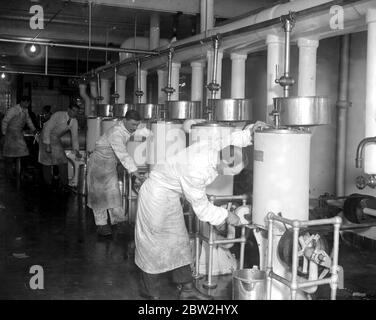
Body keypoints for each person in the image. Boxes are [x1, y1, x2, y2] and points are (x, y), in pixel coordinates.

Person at [134, 121, 268, 300]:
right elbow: (202, 209)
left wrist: (251, 132)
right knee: (153, 245)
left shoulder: (216, 148)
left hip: (170, 194)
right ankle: (150, 294)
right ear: (223, 163)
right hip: (155, 196)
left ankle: (187, 288)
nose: (227, 175)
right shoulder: (196, 170)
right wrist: (227, 215)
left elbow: (230, 139)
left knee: (179, 241)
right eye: (229, 172)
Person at [87, 110, 144, 237]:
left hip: (109, 163)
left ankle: (118, 221)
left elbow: (120, 152)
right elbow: (122, 154)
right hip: (99, 163)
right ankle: (101, 225)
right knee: (99, 195)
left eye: (137, 125)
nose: (135, 128)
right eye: (133, 124)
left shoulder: (125, 129)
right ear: (125, 120)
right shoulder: (116, 133)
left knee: (113, 193)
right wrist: (135, 172)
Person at [38, 104, 81, 190]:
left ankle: (64, 184)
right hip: (45, 136)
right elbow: (47, 128)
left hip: (55, 138)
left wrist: (76, 151)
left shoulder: (74, 121)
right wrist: (47, 145)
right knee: (47, 161)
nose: (74, 113)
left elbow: (75, 137)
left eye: (76, 112)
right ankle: (48, 183)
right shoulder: (58, 115)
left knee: (63, 160)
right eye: (73, 110)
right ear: (68, 109)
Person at [1, 96, 36, 180]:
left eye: (29, 102)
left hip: (18, 134)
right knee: (10, 155)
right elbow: (5, 121)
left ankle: (20, 171)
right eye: (27, 102)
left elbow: (28, 121)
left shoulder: (25, 110)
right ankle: (9, 174)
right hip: (10, 134)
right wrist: (4, 133)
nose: (28, 104)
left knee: (24, 153)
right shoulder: (13, 110)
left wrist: (34, 130)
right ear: (22, 102)